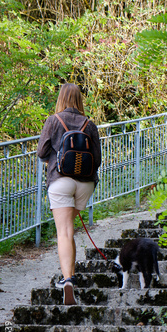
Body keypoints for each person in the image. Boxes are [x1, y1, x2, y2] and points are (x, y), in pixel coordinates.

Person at [37, 83, 101, 305]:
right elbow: (97, 160)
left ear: (61, 98)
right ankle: (70, 276)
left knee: (63, 232)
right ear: (79, 99)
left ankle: (67, 280)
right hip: (85, 184)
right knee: (69, 229)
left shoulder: (54, 120)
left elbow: (42, 152)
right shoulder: (89, 124)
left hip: (60, 180)